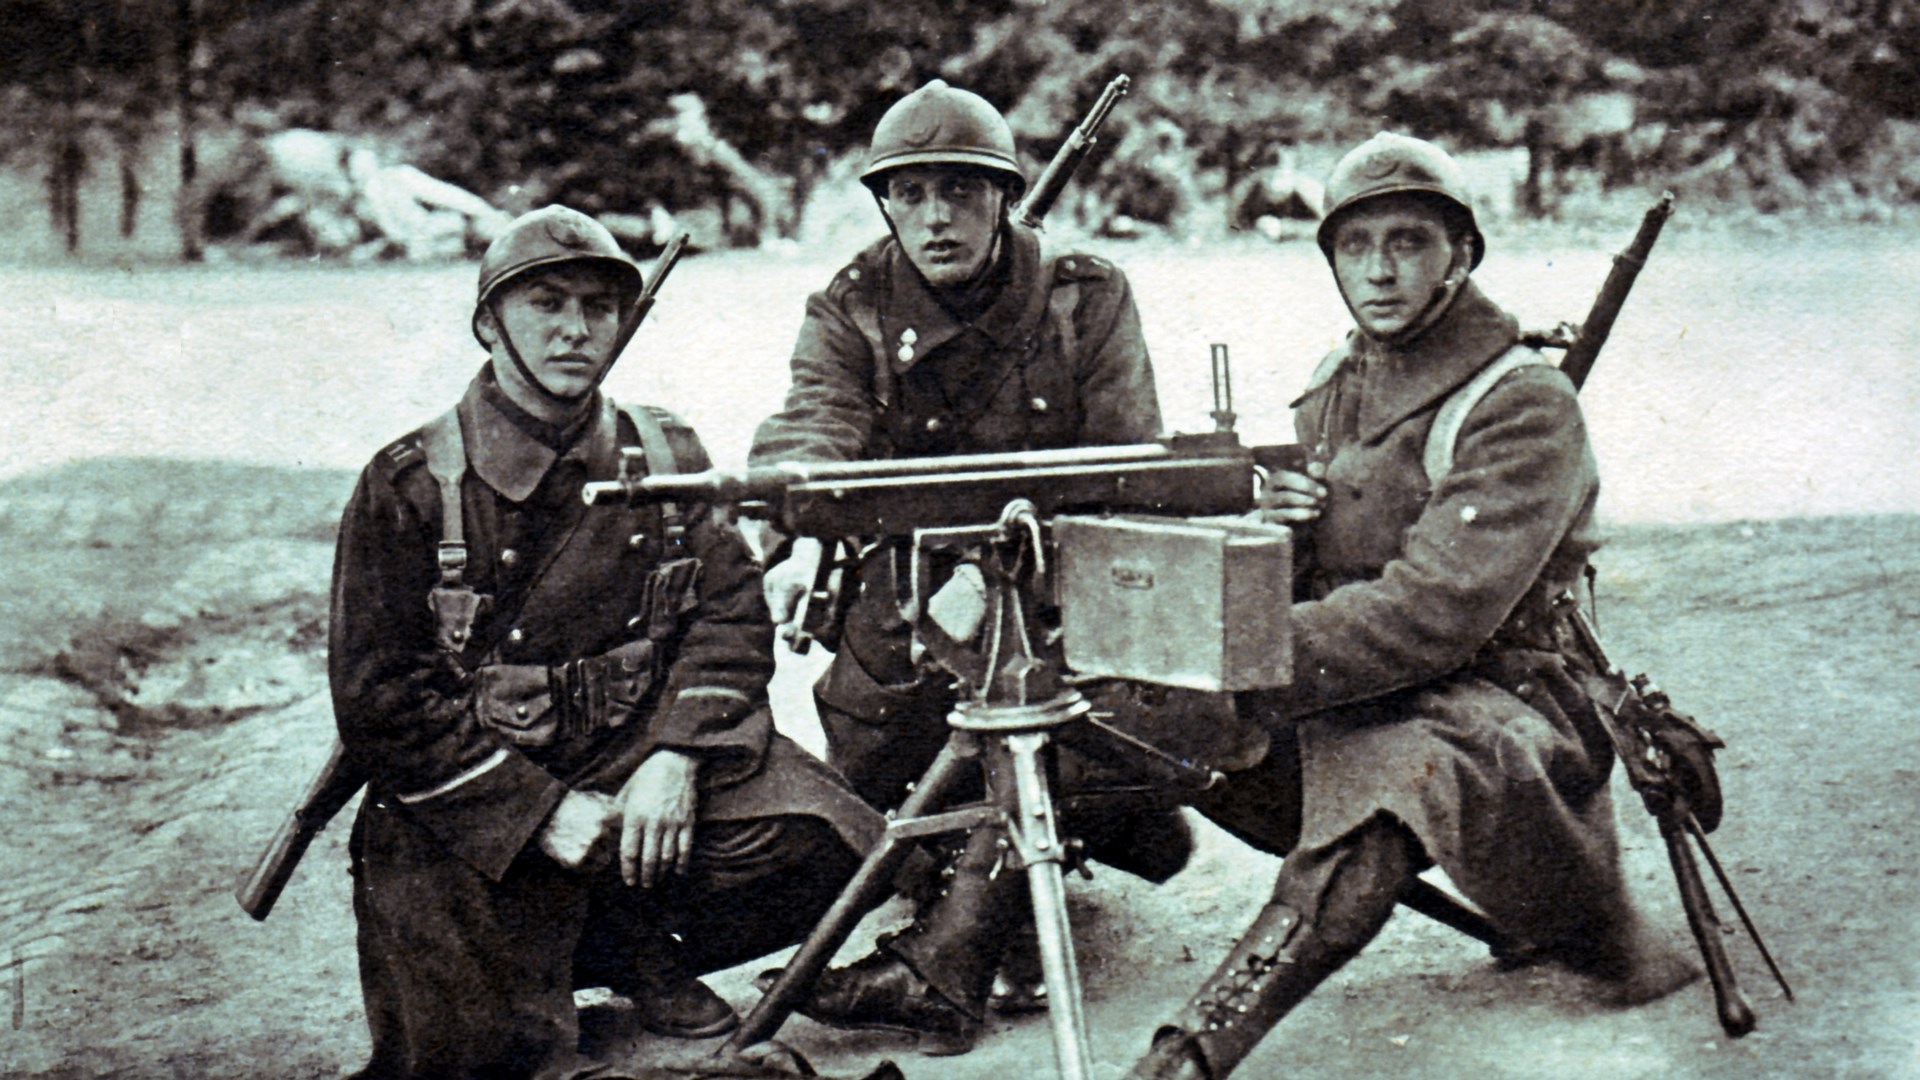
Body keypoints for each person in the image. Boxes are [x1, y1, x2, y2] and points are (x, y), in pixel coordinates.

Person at [1123, 132, 1699, 1080]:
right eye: (1356, 246)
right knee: (1113, 710)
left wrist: (1240, 651)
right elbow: (1331, 567)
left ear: (1459, 255)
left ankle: (1191, 1056)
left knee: (1397, 778)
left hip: (1502, 703)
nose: (1380, 272)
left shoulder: (1521, 401)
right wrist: (1285, 530)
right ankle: (966, 953)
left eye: (1408, 242)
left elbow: (1434, 613)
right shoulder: (1336, 384)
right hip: (1353, 682)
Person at [329, 204, 879, 1080]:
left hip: (632, 759)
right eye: (546, 304)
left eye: (597, 305)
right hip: (482, 792)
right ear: (489, 325)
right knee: (473, 1061)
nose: (575, 329)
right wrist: (536, 812)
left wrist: (677, 755)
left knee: (839, 844)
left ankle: (631, 950)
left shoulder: (663, 450)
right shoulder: (412, 484)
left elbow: (730, 617)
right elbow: (379, 698)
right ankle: (554, 967)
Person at [745, 80, 1205, 1052]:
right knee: (881, 765)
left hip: (1063, 590)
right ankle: (977, 913)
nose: (935, 215)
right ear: (886, 204)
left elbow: (1128, 470)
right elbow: (812, 421)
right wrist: (788, 500)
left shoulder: (1084, 297)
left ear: (1003, 197)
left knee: (1092, 725)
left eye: (961, 189)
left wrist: (1018, 564)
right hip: (909, 603)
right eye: (909, 193)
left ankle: (960, 945)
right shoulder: (854, 305)